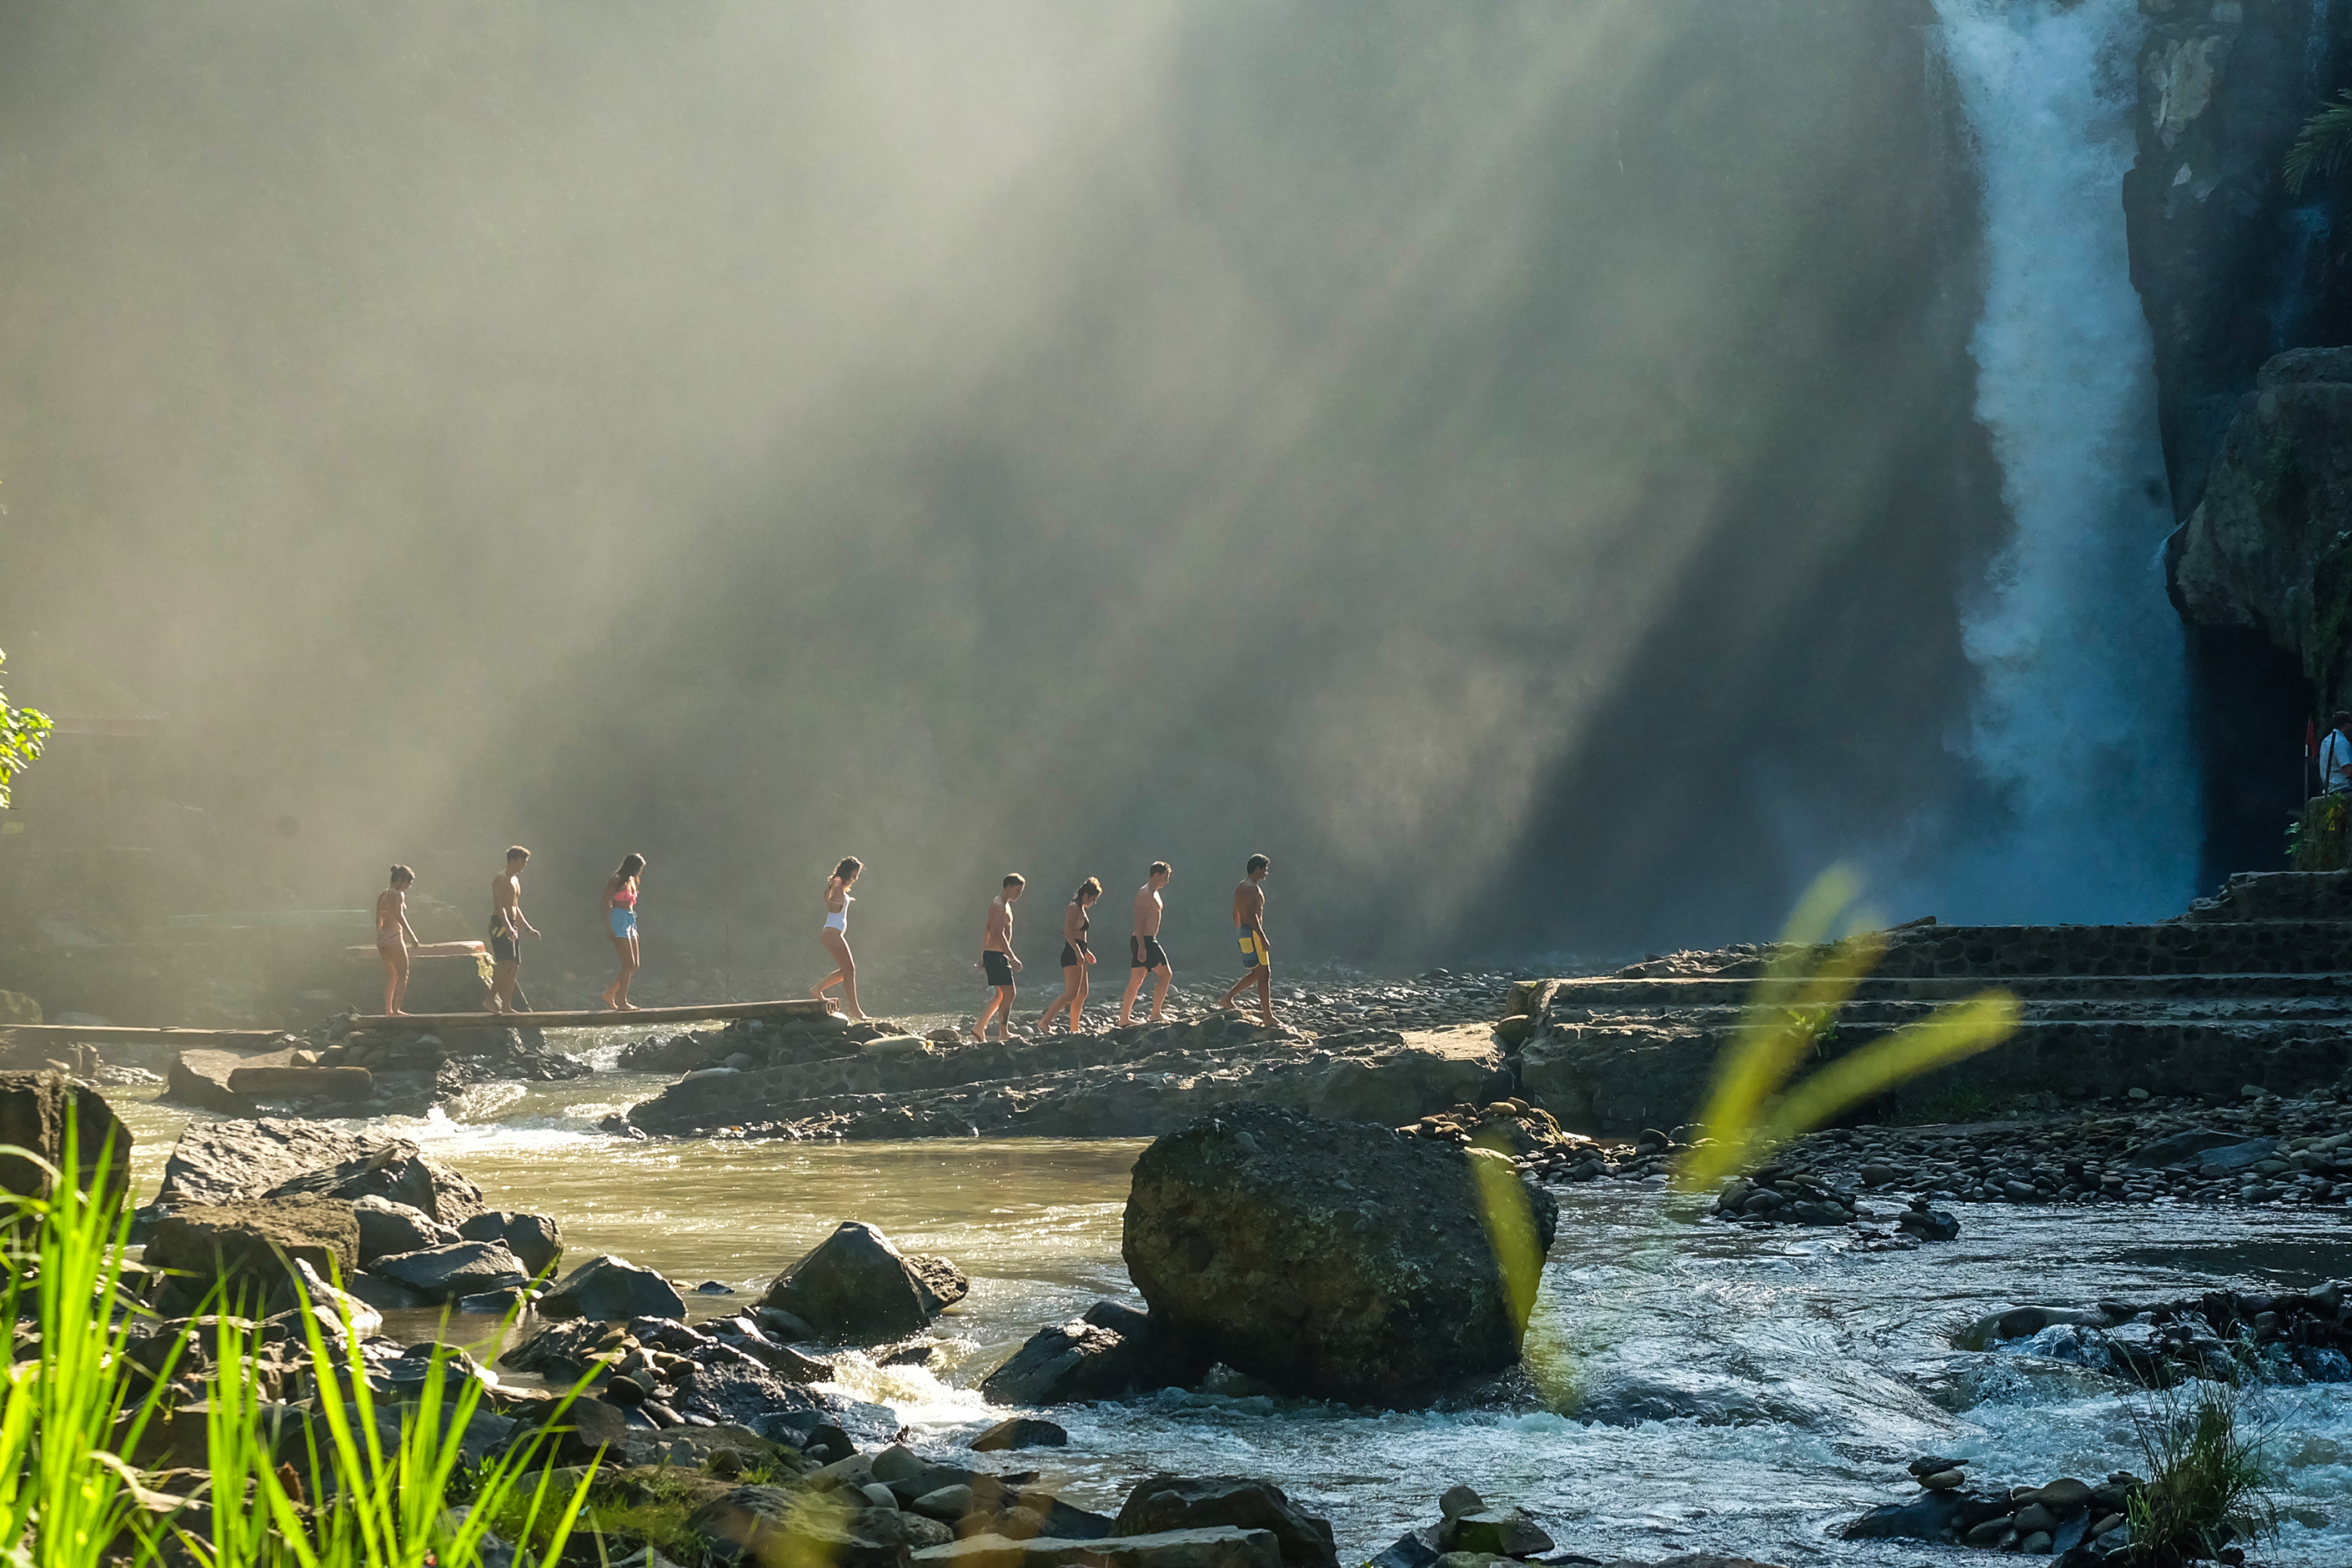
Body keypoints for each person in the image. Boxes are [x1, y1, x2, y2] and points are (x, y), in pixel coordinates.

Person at [1215, 854, 1276, 1028]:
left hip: (1245, 932)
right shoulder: (1251, 889)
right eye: (1265, 869)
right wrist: (1262, 937)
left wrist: (1239, 931)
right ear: (1257, 869)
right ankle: (1267, 1016)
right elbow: (1252, 915)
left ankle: (1227, 999)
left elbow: (1236, 912)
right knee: (1264, 973)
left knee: (1258, 973)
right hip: (1252, 933)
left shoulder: (1242, 886)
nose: (1266, 873)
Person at [1036, 878, 1102, 1034]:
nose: (1093, 903)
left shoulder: (1081, 909)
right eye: (1093, 899)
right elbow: (1068, 932)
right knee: (1071, 993)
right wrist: (1079, 952)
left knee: (1083, 992)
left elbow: (1081, 935)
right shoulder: (1073, 908)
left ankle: (1074, 1027)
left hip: (1080, 950)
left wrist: (1086, 952)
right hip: (1072, 952)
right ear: (1085, 895)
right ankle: (1044, 1021)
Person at [1119, 862, 1175, 1025]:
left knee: (1136, 979)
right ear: (1156, 875)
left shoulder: (1155, 893)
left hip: (1146, 940)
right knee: (1166, 974)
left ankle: (1124, 1018)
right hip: (1145, 941)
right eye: (1165, 877)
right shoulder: (1145, 894)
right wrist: (1142, 946)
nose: (1167, 881)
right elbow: (1139, 922)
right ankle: (1155, 1014)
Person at [812, 856, 869, 1019]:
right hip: (832, 933)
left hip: (832, 933)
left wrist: (839, 895)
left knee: (847, 970)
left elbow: (828, 899)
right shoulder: (837, 889)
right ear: (846, 873)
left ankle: (818, 989)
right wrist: (833, 892)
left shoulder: (839, 889)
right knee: (849, 970)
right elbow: (831, 907)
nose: (855, 878)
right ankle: (854, 1009)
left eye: (856, 875)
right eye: (853, 875)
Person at [972, 874, 1026, 1042]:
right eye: (1018, 890)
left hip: (994, 954)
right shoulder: (998, 906)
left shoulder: (1004, 904)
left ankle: (979, 1028)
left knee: (1001, 995)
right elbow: (997, 933)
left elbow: (987, 930)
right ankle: (1003, 1032)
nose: (1020, 894)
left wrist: (983, 954)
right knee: (1009, 994)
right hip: (997, 955)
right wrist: (1012, 957)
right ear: (1008, 887)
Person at [487, 846, 540, 1014]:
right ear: (513, 861)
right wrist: (507, 926)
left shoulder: (516, 881)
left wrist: (528, 929)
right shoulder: (501, 879)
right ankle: (490, 999)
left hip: (512, 924)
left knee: (514, 965)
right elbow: (500, 905)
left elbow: (515, 908)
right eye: (522, 861)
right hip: (500, 924)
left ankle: (506, 1005)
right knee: (506, 963)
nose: (524, 865)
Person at [601, 853, 647, 1011]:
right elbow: (604, 903)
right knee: (628, 963)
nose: (639, 871)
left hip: (630, 920)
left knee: (635, 965)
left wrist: (634, 928)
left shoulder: (633, 880)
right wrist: (609, 927)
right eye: (639, 868)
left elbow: (630, 905)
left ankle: (610, 993)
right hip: (618, 919)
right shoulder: (617, 879)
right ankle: (622, 1002)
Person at [375, 866, 422, 1016]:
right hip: (394, 937)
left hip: (382, 939)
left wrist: (380, 935)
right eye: (409, 882)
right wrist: (413, 937)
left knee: (393, 976)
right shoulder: (397, 894)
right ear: (401, 880)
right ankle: (397, 1010)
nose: (409, 886)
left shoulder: (382, 894)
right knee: (403, 973)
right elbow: (399, 915)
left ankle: (388, 1010)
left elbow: (378, 919)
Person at [2323, 712, 2352, 794]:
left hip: (2329, 788)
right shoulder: (2341, 742)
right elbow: (2348, 771)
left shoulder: (2326, 740)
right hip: (2342, 788)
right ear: (2346, 724)